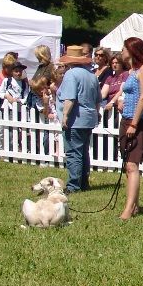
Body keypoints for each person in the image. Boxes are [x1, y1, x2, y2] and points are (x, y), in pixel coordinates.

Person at [56, 45, 102, 194]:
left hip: (76, 119)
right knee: (83, 152)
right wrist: (96, 113)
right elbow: (98, 99)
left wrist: (65, 116)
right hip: (88, 118)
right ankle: (83, 182)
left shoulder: (71, 74)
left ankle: (73, 185)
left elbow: (70, 98)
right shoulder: (91, 75)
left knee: (73, 152)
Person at [118, 38, 143, 220]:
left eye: (124, 48)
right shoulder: (130, 71)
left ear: (132, 50)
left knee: (132, 165)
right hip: (126, 119)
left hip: (136, 122)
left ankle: (129, 208)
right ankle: (135, 205)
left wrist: (134, 123)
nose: (121, 51)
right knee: (128, 165)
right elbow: (130, 94)